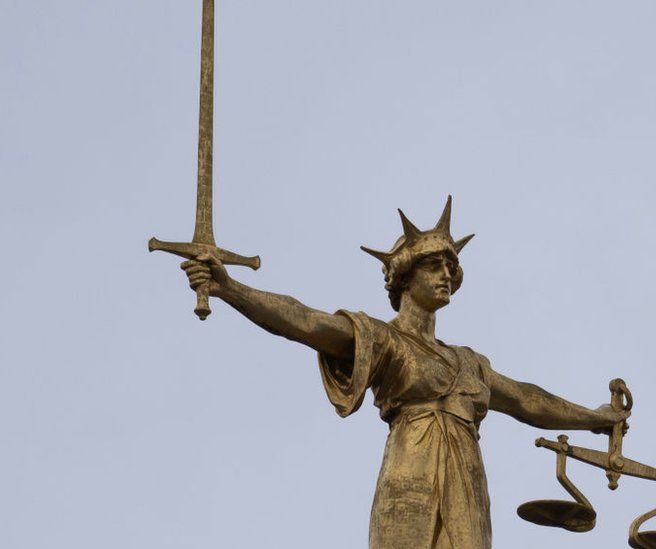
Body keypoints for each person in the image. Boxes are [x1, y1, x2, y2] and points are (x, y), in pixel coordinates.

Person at [181, 196, 629, 549]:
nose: (447, 276)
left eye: (451, 268)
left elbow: (528, 400)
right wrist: (231, 288)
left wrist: (595, 418)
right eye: (435, 266)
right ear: (403, 277)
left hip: (465, 479)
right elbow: (304, 322)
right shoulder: (382, 339)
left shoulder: (469, 362)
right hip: (410, 471)